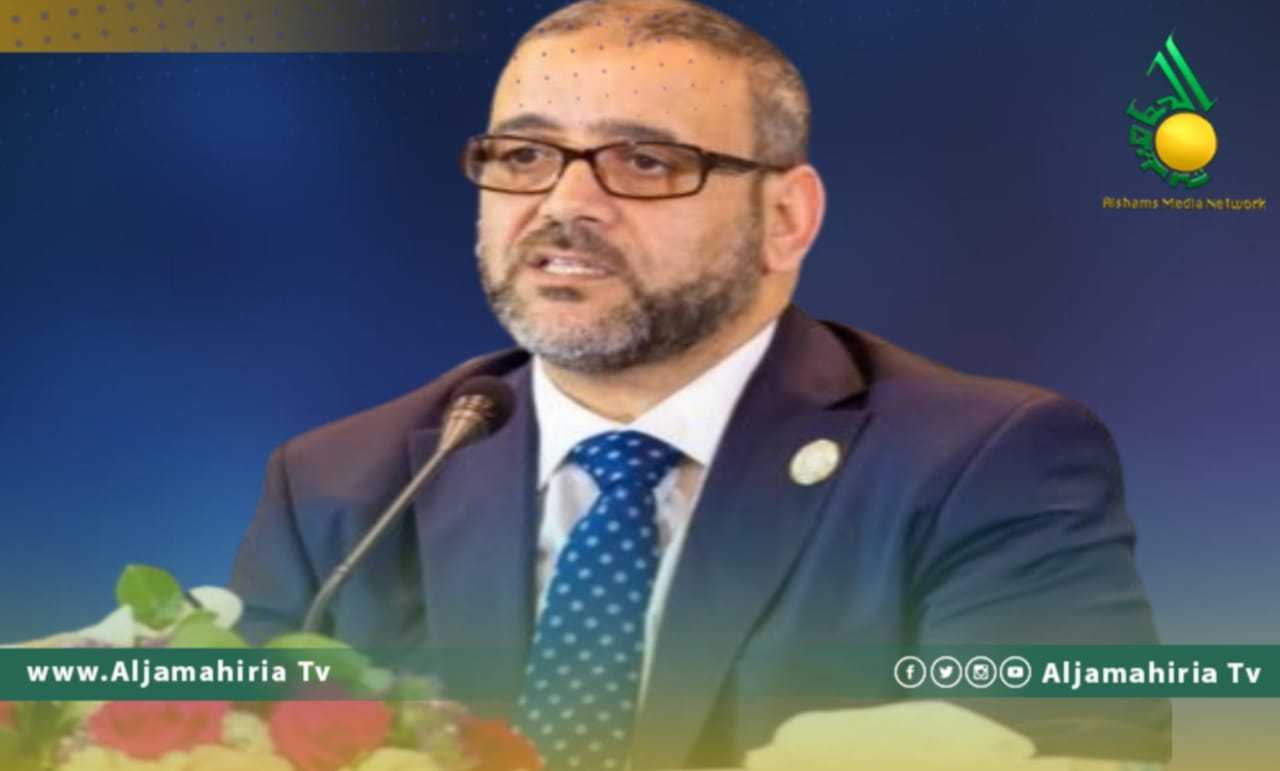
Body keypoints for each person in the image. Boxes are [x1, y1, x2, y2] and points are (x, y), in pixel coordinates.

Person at [232, 1, 1169, 768]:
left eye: (646, 162)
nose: (563, 204)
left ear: (786, 218)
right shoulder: (339, 484)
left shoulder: (982, 463)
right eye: (523, 157)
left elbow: (1079, 752)